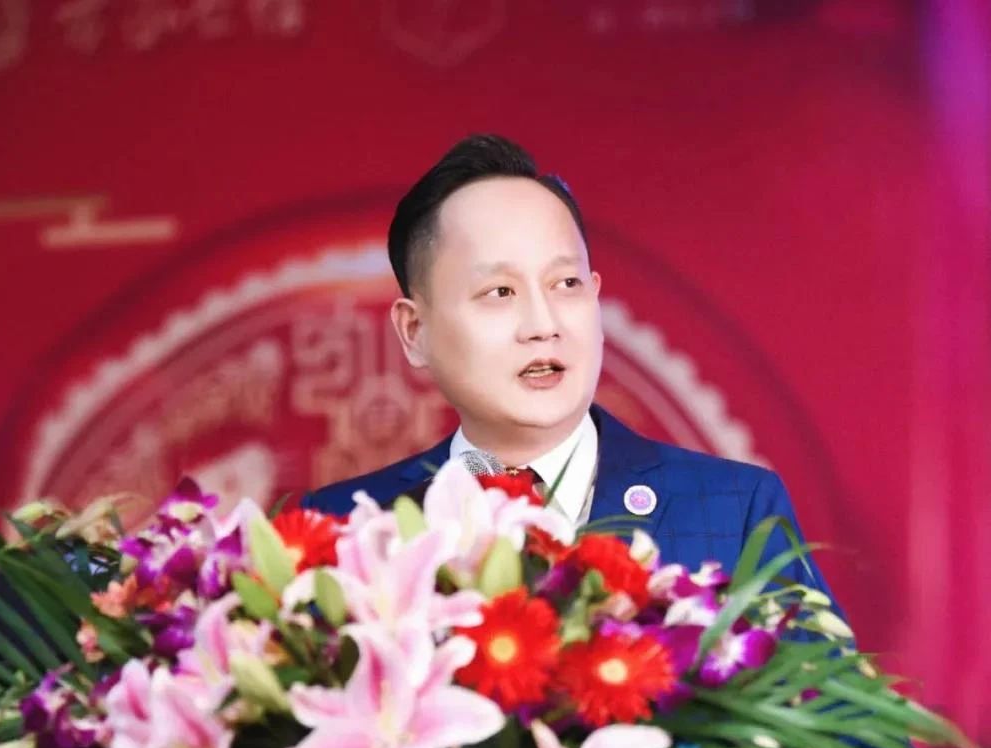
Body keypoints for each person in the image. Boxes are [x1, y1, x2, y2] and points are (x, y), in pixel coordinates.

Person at [300, 134, 827, 594]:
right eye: (500, 291)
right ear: (415, 331)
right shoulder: (345, 529)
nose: (543, 323)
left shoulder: (736, 509)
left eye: (566, 284)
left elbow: (822, 682)